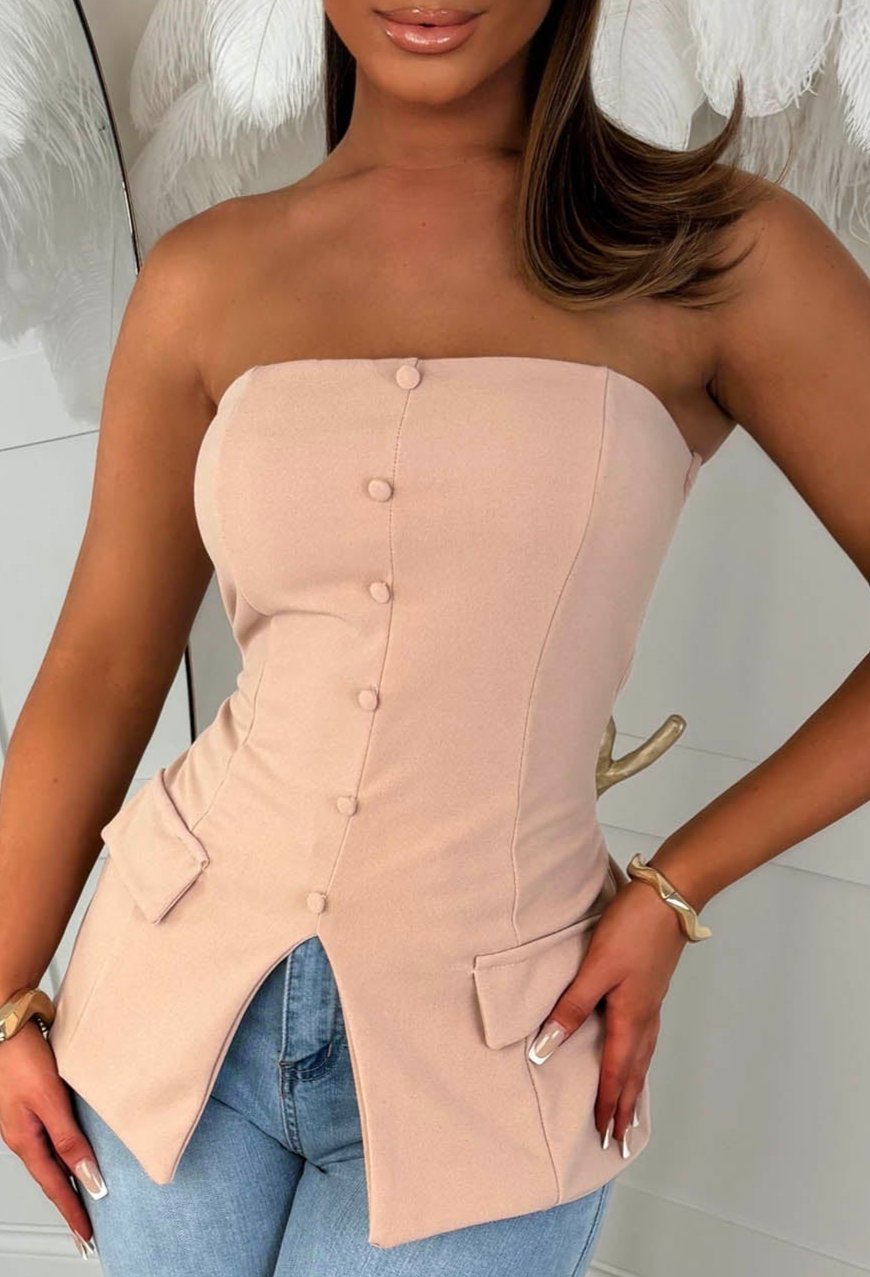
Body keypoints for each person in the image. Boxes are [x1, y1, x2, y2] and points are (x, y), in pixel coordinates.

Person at [2, 1, 869, 1273]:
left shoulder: (716, 253)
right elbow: (102, 664)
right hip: (164, 1014)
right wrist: (1, 990)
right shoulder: (202, 275)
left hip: (500, 1046)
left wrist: (678, 884)